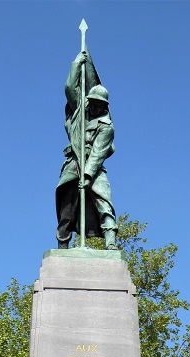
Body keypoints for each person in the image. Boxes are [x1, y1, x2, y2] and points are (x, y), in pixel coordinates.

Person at [56, 50, 117, 250]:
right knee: (67, 203)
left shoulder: (105, 126)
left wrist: (89, 173)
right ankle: (62, 243)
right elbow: (69, 88)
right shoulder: (79, 112)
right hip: (74, 162)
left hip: (93, 165)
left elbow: (99, 152)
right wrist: (76, 65)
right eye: (94, 103)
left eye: (100, 105)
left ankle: (110, 241)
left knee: (104, 201)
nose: (96, 107)